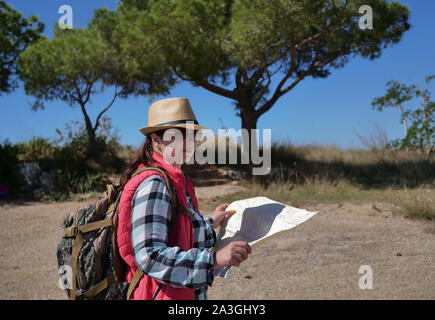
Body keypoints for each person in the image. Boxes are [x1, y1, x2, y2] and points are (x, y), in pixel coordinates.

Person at [116, 97, 251, 300]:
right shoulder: (155, 183)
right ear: (155, 139)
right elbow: (150, 256)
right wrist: (214, 259)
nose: (188, 143)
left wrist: (210, 222)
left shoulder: (174, 179)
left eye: (193, 136)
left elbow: (176, 232)